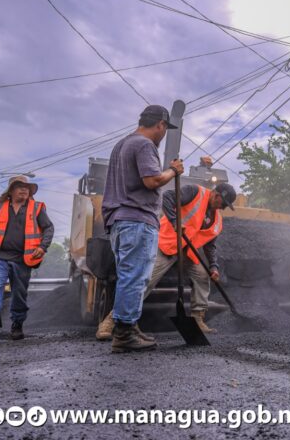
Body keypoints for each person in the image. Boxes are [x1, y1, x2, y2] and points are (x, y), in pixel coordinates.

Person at [95, 180, 236, 340]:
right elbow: (167, 197)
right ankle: (112, 321)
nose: (223, 208)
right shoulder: (195, 192)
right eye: (223, 203)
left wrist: (214, 266)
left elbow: (210, 246)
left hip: (186, 251)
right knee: (145, 280)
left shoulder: (216, 219)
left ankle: (197, 318)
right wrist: (176, 221)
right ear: (216, 195)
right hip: (166, 244)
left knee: (202, 276)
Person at [101, 105, 184, 353]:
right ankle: (125, 332)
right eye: (164, 129)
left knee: (130, 275)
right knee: (135, 277)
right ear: (159, 124)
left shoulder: (122, 144)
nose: (164, 134)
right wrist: (173, 170)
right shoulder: (145, 145)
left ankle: (128, 326)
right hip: (137, 218)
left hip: (119, 219)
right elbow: (152, 181)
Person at [0, 175, 54, 343]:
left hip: (23, 259)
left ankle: (17, 324)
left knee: (19, 292)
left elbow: (48, 228)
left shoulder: (37, 208)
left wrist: (42, 247)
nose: (25, 189)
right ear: (11, 191)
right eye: (20, 186)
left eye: (27, 187)